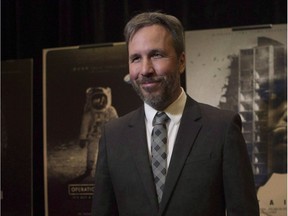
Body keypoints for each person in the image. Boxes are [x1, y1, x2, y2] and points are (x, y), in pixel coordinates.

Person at [91, 11, 259, 216]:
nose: (145, 69)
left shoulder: (222, 128)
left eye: (156, 55)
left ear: (181, 62)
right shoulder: (113, 135)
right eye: (136, 58)